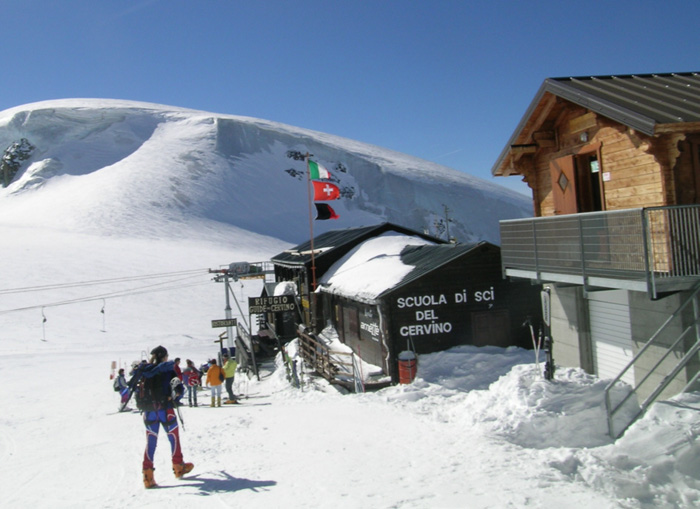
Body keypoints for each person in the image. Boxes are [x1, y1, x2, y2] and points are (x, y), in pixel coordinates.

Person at [138, 345, 194, 488]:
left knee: (151, 442)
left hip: (149, 411)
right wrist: (174, 397)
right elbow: (179, 389)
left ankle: (148, 477)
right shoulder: (169, 370)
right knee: (173, 438)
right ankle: (178, 467)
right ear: (164, 357)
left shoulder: (146, 370)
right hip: (166, 410)